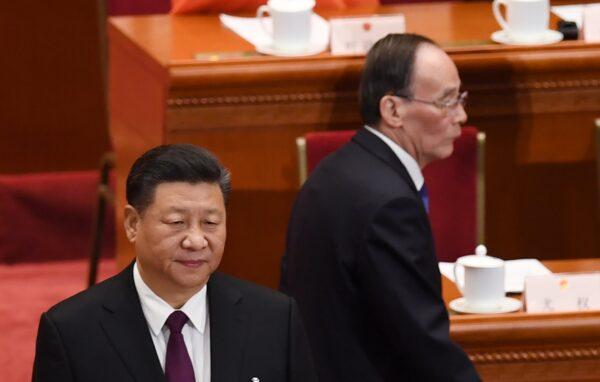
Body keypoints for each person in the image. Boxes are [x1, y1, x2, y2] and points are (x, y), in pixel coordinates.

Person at [281, 34, 480, 381]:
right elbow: (421, 343)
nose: (461, 115)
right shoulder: (390, 205)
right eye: (446, 101)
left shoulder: (333, 171)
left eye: (459, 97)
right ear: (393, 110)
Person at [33, 144, 317, 382]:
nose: (196, 240)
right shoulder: (71, 332)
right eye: (177, 222)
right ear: (133, 224)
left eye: (210, 222)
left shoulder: (275, 319)